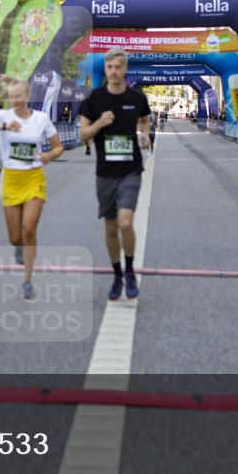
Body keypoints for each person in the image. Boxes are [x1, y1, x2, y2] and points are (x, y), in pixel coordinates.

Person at [0, 75, 63, 300]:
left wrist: (49, 155)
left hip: (34, 178)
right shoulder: (4, 116)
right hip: (11, 179)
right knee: (16, 237)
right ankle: (18, 246)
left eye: (19, 96)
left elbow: (58, 147)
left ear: (28, 96)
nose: (15, 100)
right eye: (12, 97)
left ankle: (27, 280)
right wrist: (4, 126)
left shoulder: (41, 119)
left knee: (29, 229)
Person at [78, 49, 151, 300]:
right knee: (110, 228)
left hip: (131, 170)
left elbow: (144, 121)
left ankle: (130, 271)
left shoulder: (137, 97)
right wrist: (99, 123)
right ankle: (117, 274)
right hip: (105, 173)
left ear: (125, 69)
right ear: (105, 69)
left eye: (119, 67)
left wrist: (144, 134)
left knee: (125, 223)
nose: (114, 71)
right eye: (110, 67)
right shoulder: (94, 99)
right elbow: (83, 135)